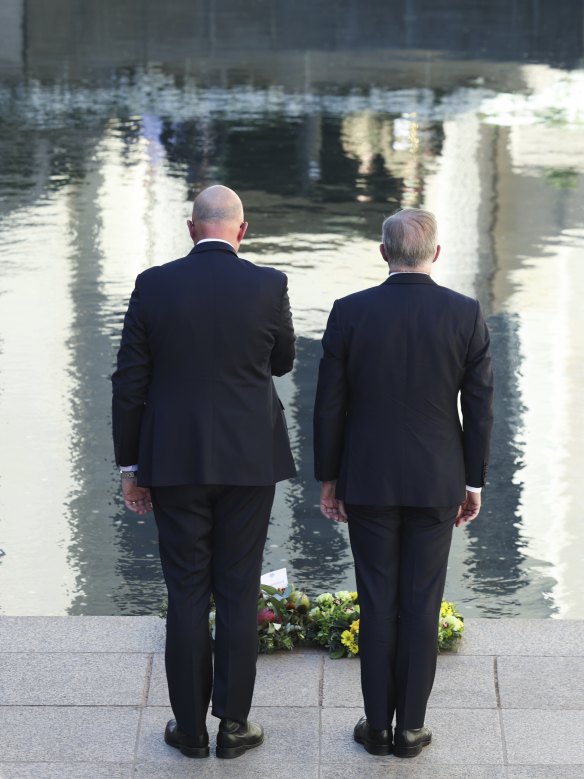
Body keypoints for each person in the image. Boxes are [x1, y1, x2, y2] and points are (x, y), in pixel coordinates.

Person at [111, 185, 296, 759]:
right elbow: (284, 361)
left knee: (186, 590)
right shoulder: (270, 285)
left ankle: (189, 728)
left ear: (192, 228)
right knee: (237, 590)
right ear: (243, 231)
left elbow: (130, 383)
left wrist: (130, 466)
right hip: (248, 460)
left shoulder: (153, 284)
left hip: (174, 461)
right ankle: (234, 727)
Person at [313, 208, 494, 758]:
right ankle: (411, 728)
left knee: (376, 600)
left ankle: (375, 726)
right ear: (435, 254)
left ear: (383, 251)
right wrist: (473, 481)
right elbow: (481, 408)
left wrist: (329, 478)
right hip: (438, 479)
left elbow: (328, 406)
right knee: (421, 601)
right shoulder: (464, 314)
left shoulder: (350, 312)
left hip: (366, 479)